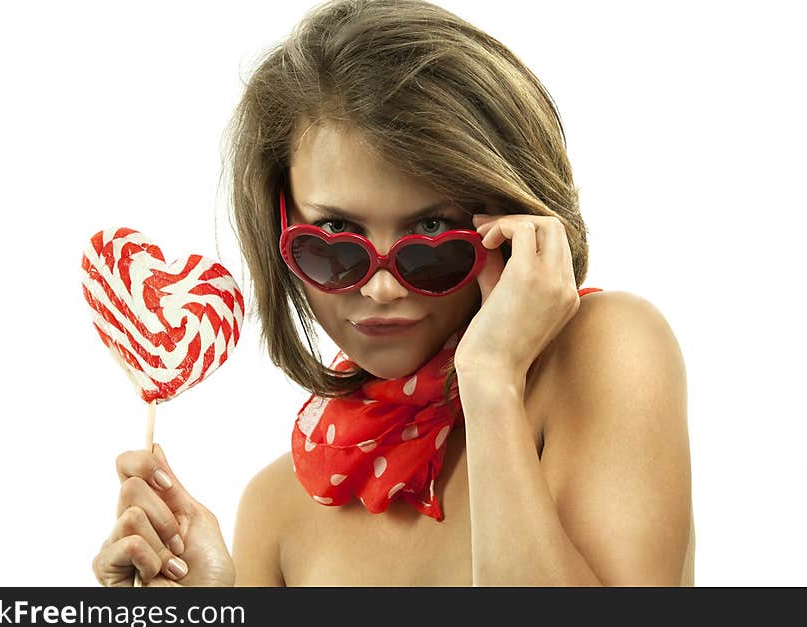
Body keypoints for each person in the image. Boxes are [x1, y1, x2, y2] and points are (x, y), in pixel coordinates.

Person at [92, 0, 694, 587]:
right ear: (279, 227)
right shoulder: (279, 510)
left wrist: (491, 382)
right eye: (333, 237)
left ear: (507, 221)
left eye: (431, 232)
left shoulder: (605, 353)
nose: (381, 287)